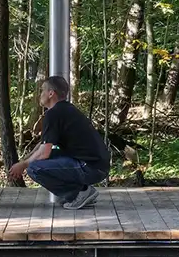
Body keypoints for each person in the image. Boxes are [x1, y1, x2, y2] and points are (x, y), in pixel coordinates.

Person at [8, 75, 110, 209]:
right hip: (97, 166)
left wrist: (24, 165)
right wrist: (23, 162)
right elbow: (43, 145)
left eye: (42, 90)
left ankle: (79, 193)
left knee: (34, 169)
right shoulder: (63, 110)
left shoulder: (54, 114)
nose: (40, 94)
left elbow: (43, 153)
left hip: (91, 167)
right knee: (41, 159)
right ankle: (82, 191)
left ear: (51, 93)